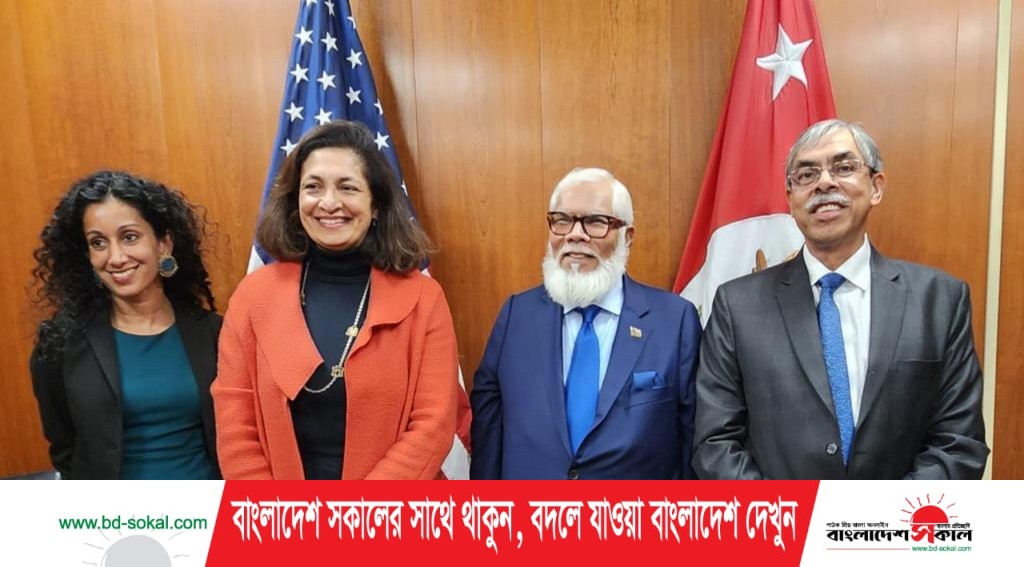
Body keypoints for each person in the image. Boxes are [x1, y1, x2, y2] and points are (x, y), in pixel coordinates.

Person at [693, 119, 989, 479]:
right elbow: (715, 443)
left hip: (897, 516)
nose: (824, 183)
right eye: (806, 175)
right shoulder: (737, 306)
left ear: (876, 187)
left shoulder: (939, 301)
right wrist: (790, 513)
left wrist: (880, 516)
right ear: (790, 198)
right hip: (782, 515)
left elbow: (959, 443)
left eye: (844, 168)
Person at [213, 121, 458, 479]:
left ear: (376, 204)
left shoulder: (423, 297)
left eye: (348, 187)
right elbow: (236, 423)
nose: (329, 203)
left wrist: (359, 511)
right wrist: (274, 511)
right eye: (313, 187)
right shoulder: (253, 296)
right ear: (295, 200)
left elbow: (433, 423)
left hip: (390, 509)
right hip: (279, 511)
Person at [470, 167, 701, 479]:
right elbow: (488, 436)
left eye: (595, 222)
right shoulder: (516, 315)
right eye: (562, 220)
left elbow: (691, 443)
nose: (575, 234)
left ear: (627, 237)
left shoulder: (675, 320)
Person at [30, 170, 222, 479]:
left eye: (129, 237)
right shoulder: (61, 345)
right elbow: (65, 448)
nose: (116, 257)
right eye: (98, 243)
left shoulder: (214, 333)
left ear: (164, 243)